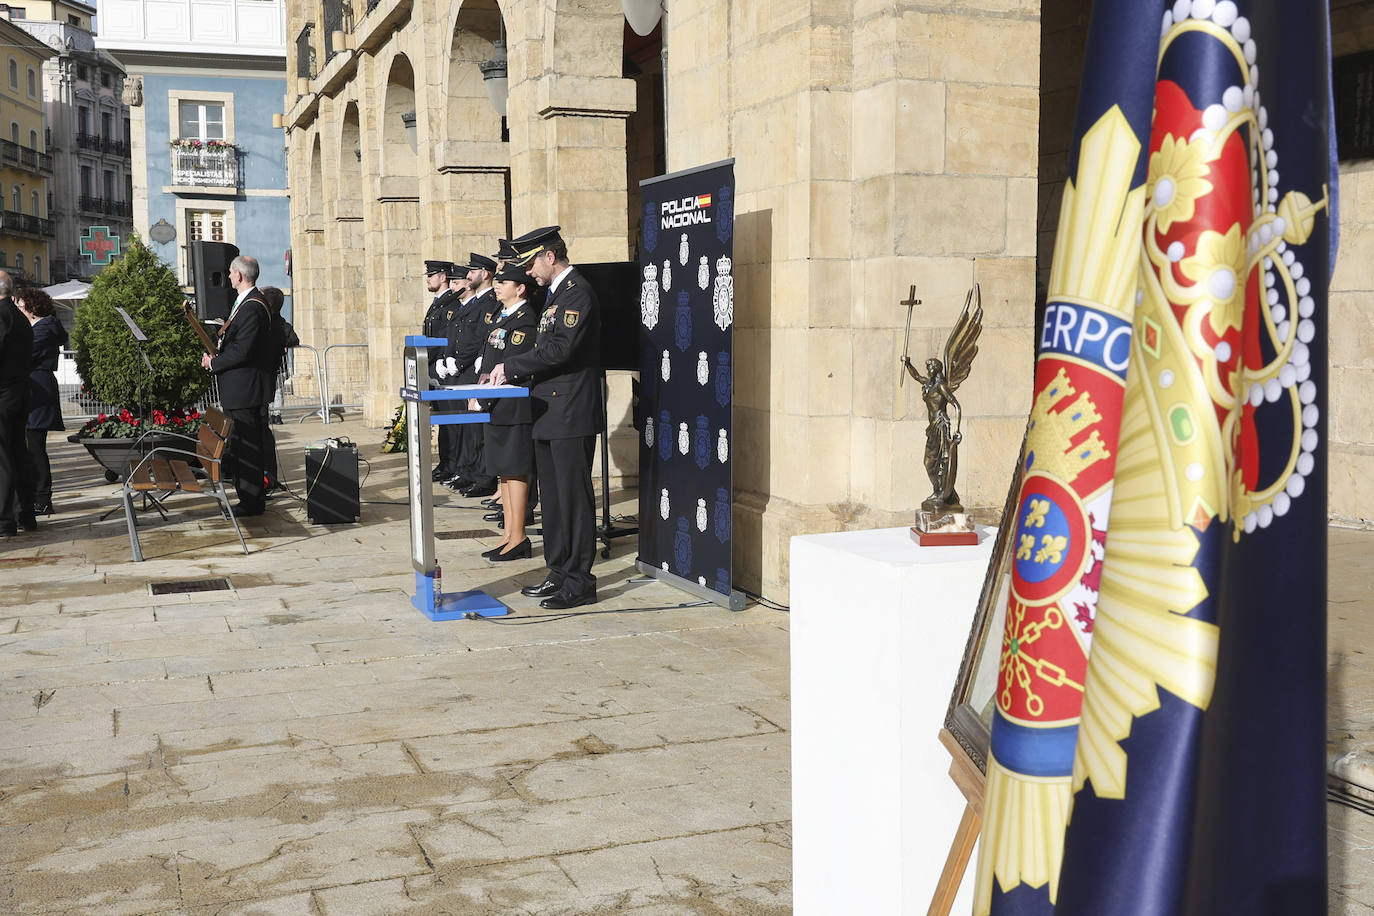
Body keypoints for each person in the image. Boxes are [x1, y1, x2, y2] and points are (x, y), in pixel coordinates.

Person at [490, 226, 602, 610]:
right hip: (547, 409)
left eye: (531, 264)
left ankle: (580, 579)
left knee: (572, 498)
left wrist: (511, 366)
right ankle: (559, 570)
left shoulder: (578, 293)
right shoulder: (555, 295)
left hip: (570, 410)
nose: (529, 273)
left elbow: (560, 348)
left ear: (549, 256)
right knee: (553, 500)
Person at [201, 255, 273, 516]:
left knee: (247, 446)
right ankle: (248, 497)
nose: (228, 276)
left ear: (239, 275)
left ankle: (252, 501)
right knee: (242, 443)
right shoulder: (245, 303)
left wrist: (214, 364)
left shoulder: (253, 306)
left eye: (231, 272)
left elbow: (243, 351)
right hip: (238, 389)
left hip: (245, 390)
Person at [476, 264, 539, 561]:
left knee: (515, 471)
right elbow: (491, 356)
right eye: (497, 280)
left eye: (504, 281)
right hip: (496, 402)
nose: (497, 285)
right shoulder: (504, 316)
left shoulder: (525, 320)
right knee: (504, 472)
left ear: (521, 288)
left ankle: (518, 536)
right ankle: (508, 535)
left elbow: (514, 363)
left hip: (513, 404)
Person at [438, 252, 499, 497]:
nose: (468, 275)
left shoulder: (490, 302)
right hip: (460, 371)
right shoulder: (472, 304)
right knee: (463, 426)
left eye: (472, 272)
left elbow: (480, 338)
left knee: (475, 429)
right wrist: (446, 359)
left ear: (484, 274)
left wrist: (461, 360)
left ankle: (481, 476)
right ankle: (467, 471)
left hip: (473, 371)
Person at [16, 287, 65, 518]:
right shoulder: (38, 327)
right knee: (31, 447)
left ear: (32, 307)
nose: (17, 308)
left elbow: (25, 354)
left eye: (20, 304)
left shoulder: (43, 328)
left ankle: (43, 499)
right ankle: (36, 497)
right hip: (34, 388)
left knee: (35, 448)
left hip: (38, 390)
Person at [422, 259, 462, 483]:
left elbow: (447, 337)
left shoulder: (450, 304)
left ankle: (453, 464)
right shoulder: (439, 302)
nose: (428, 278)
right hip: (432, 366)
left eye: (431, 275)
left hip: (443, 367)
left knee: (452, 420)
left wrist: (440, 359)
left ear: (443, 277)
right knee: (443, 420)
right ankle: (446, 462)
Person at [0, 270, 33, 536]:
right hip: (20, 392)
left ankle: (4, 520)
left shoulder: (2, 314)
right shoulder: (20, 317)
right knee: (18, 452)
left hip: (4, 395)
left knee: (3, 456)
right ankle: (26, 513)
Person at [259, 286, 298, 492]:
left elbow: (293, 339)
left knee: (277, 393)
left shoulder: (277, 325)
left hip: (271, 373)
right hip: (265, 377)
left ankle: (268, 478)